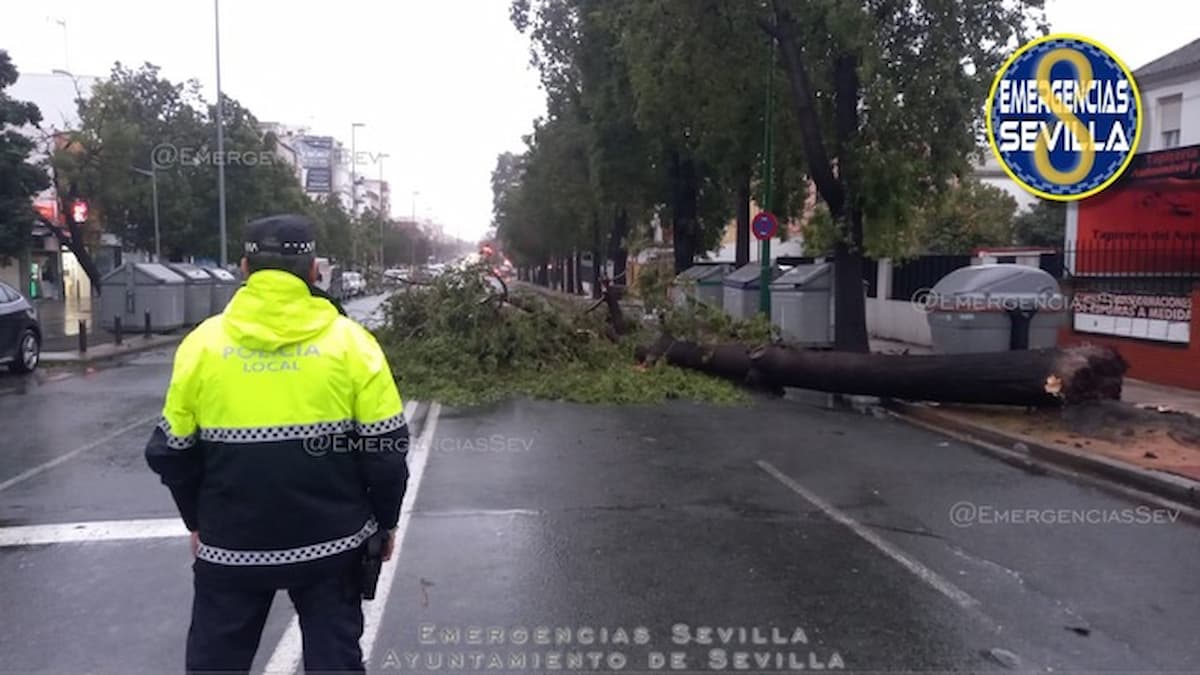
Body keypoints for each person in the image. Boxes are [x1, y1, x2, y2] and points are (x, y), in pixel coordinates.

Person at [145, 214, 410, 673]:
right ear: (314, 273)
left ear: (245, 269)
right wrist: (384, 524)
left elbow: (172, 451)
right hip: (335, 545)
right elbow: (385, 451)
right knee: (335, 662)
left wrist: (199, 521)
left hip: (231, 546)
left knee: (216, 664)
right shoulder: (353, 344)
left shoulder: (202, 345)